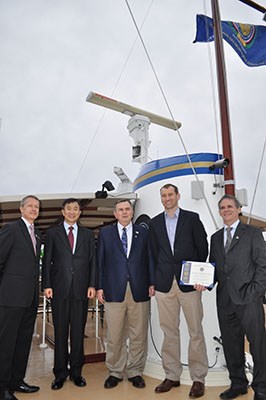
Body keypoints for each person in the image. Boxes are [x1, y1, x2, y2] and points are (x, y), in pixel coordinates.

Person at [148, 183, 208, 398]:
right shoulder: (154, 224)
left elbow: (202, 248)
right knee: (169, 331)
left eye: (170, 194)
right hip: (164, 285)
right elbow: (153, 254)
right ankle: (172, 375)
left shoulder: (192, 219)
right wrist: (153, 281)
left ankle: (198, 378)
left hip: (189, 285)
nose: (166, 198)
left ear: (177, 196)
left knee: (195, 331)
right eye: (163, 195)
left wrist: (198, 276)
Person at [210, 194, 266, 400]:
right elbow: (214, 268)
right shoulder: (215, 238)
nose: (226, 210)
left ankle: (261, 387)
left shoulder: (252, 233)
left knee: (258, 344)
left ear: (239, 209)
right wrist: (204, 281)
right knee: (231, 345)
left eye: (230, 207)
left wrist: (256, 291)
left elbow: (262, 265)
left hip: (249, 298)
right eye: (222, 207)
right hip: (225, 300)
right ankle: (238, 383)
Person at [97, 199, 155, 389]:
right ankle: (115, 371)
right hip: (113, 289)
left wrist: (152, 282)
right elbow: (100, 262)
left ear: (132, 212)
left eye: (127, 209)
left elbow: (150, 259)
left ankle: (135, 371)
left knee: (138, 334)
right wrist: (99, 287)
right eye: (120, 210)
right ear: (115, 214)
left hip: (139, 289)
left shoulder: (144, 232)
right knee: (114, 334)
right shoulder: (105, 234)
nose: (124, 212)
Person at [42, 198, 96, 390]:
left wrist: (92, 284)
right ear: (63, 212)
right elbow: (47, 260)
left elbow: (93, 262)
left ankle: (76, 372)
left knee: (77, 333)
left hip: (81, 290)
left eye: (76, 209)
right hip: (59, 290)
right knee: (61, 332)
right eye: (69, 209)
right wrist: (46, 284)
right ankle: (60, 373)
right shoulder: (53, 233)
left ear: (80, 212)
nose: (72, 212)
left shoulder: (88, 234)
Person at [0, 195, 42, 400]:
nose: (34, 209)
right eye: (30, 206)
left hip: (30, 298)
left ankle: (17, 381)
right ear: (21, 209)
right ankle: (2, 388)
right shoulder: (11, 229)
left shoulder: (36, 233)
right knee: (6, 344)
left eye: (37, 207)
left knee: (23, 342)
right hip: (11, 297)